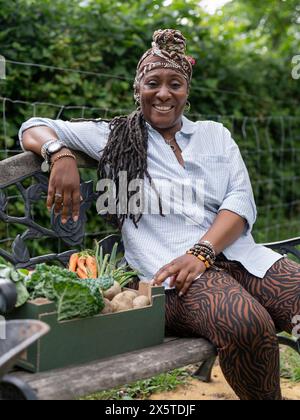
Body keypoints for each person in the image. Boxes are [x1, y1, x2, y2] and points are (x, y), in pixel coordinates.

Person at [19, 29, 300, 400]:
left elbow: (240, 200)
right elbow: (34, 127)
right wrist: (60, 153)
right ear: (138, 89)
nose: (164, 93)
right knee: (244, 322)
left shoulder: (215, 135)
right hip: (170, 280)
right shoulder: (113, 137)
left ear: (187, 91)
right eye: (153, 83)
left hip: (240, 258)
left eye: (175, 84)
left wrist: (202, 252)